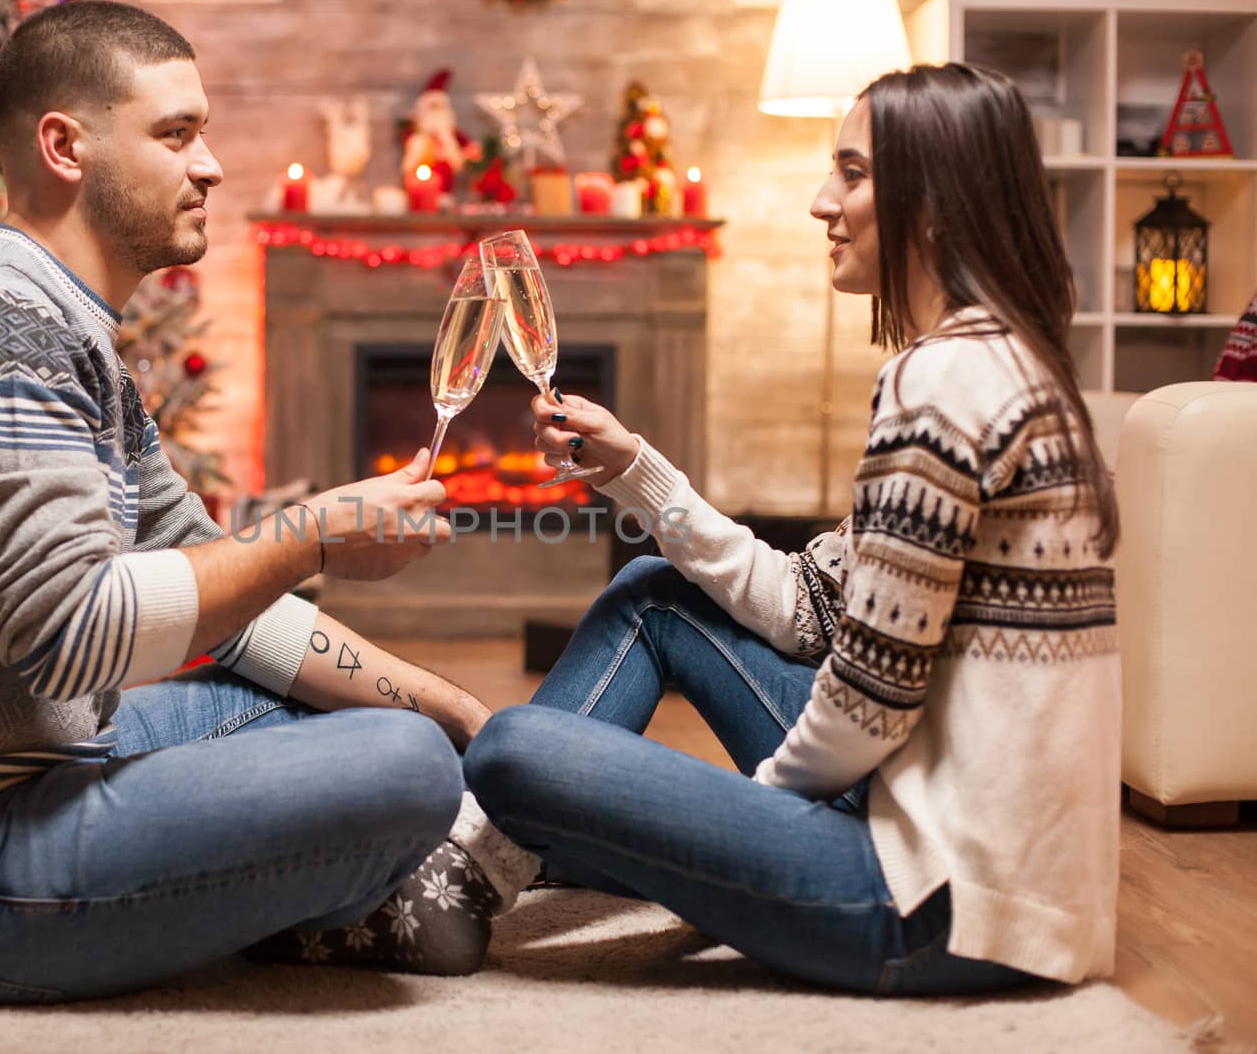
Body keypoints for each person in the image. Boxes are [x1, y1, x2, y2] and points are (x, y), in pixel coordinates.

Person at [0, 0, 522, 1004]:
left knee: (337, 711)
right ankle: (392, 873)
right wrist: (311, 533)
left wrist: (457, 708)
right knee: (400, 767)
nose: (212, 166)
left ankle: (355, 876)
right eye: (176, 134)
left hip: (15, 772)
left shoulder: (64, 329)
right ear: (65, 146)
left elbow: (226, 611)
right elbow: (67, 638)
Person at [464, 62, 1123, 994]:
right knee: (655, 593)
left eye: (852, 174)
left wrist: (742, 825)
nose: (824, 200)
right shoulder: (1007, 363)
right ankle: (497, 863)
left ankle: (458, 879)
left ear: (932, 204)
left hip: (935, 906)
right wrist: (639, 471)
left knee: (508, 752)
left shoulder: (939, 386)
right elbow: (810, 607)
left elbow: (868, 698)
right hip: (993, 873)